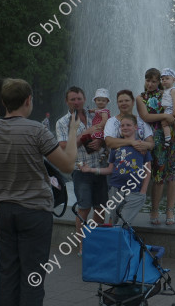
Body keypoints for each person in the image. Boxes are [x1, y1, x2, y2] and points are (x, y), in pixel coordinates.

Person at [0, 78, 80, 306]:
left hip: (4, 211)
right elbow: (67, 166)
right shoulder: (36, 130)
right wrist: (73, 131)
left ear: (3, 102)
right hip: (35, 213)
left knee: (8, 274)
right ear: (28, 100)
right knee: (32, 276)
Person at [55, 86, 107, 256]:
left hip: (99, 167)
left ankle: (97, 243)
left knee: (100, 208)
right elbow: (63, 147)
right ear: (67, 101)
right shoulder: (63, 122)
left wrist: (101, 143)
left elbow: (109, 136)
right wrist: (85, 134)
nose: (76, 102)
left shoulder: (96, 115)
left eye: (79, 99)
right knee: (84, 208)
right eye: (72, 99)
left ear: (84, 99)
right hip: (80, 170)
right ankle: (83, 246)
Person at [136, 68, 175, 226]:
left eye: (154, 81)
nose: (150, 84)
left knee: (173, 174)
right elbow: (145, 116)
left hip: (173, 138)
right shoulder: (141, 97)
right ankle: (154, 210)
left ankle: (170, 210)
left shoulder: (167, 93)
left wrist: (174, 119)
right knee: (158, 176)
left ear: (159, 81)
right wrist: (166, 116)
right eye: (147, 80)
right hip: (156, 140)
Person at [82, 114, 151, 225]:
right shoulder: (115, 147)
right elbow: (110, 169)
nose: (125, 127)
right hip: (115, 189)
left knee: (123, 223)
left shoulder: (142, 146)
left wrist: (143, 191)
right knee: (114, 222)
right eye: (122, 125)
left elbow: (148, 170)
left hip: (134, 190)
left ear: (135, 127)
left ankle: (121, 240)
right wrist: (90, 170)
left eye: (128, 125)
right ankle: (116, 241)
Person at [80, 88, 111, 153]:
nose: (100, 102)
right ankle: (101, 151)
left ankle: (102, 150)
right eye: (98, 100)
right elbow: (95, 110)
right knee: (93, 140)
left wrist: (99, 126)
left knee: (96, 139)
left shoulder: (104, 111)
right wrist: (90, 111)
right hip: (97, 127)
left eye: (103, 101)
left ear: (107, 102)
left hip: (100, 128)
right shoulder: (98, 109)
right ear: (95, 100)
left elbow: (105, 120)